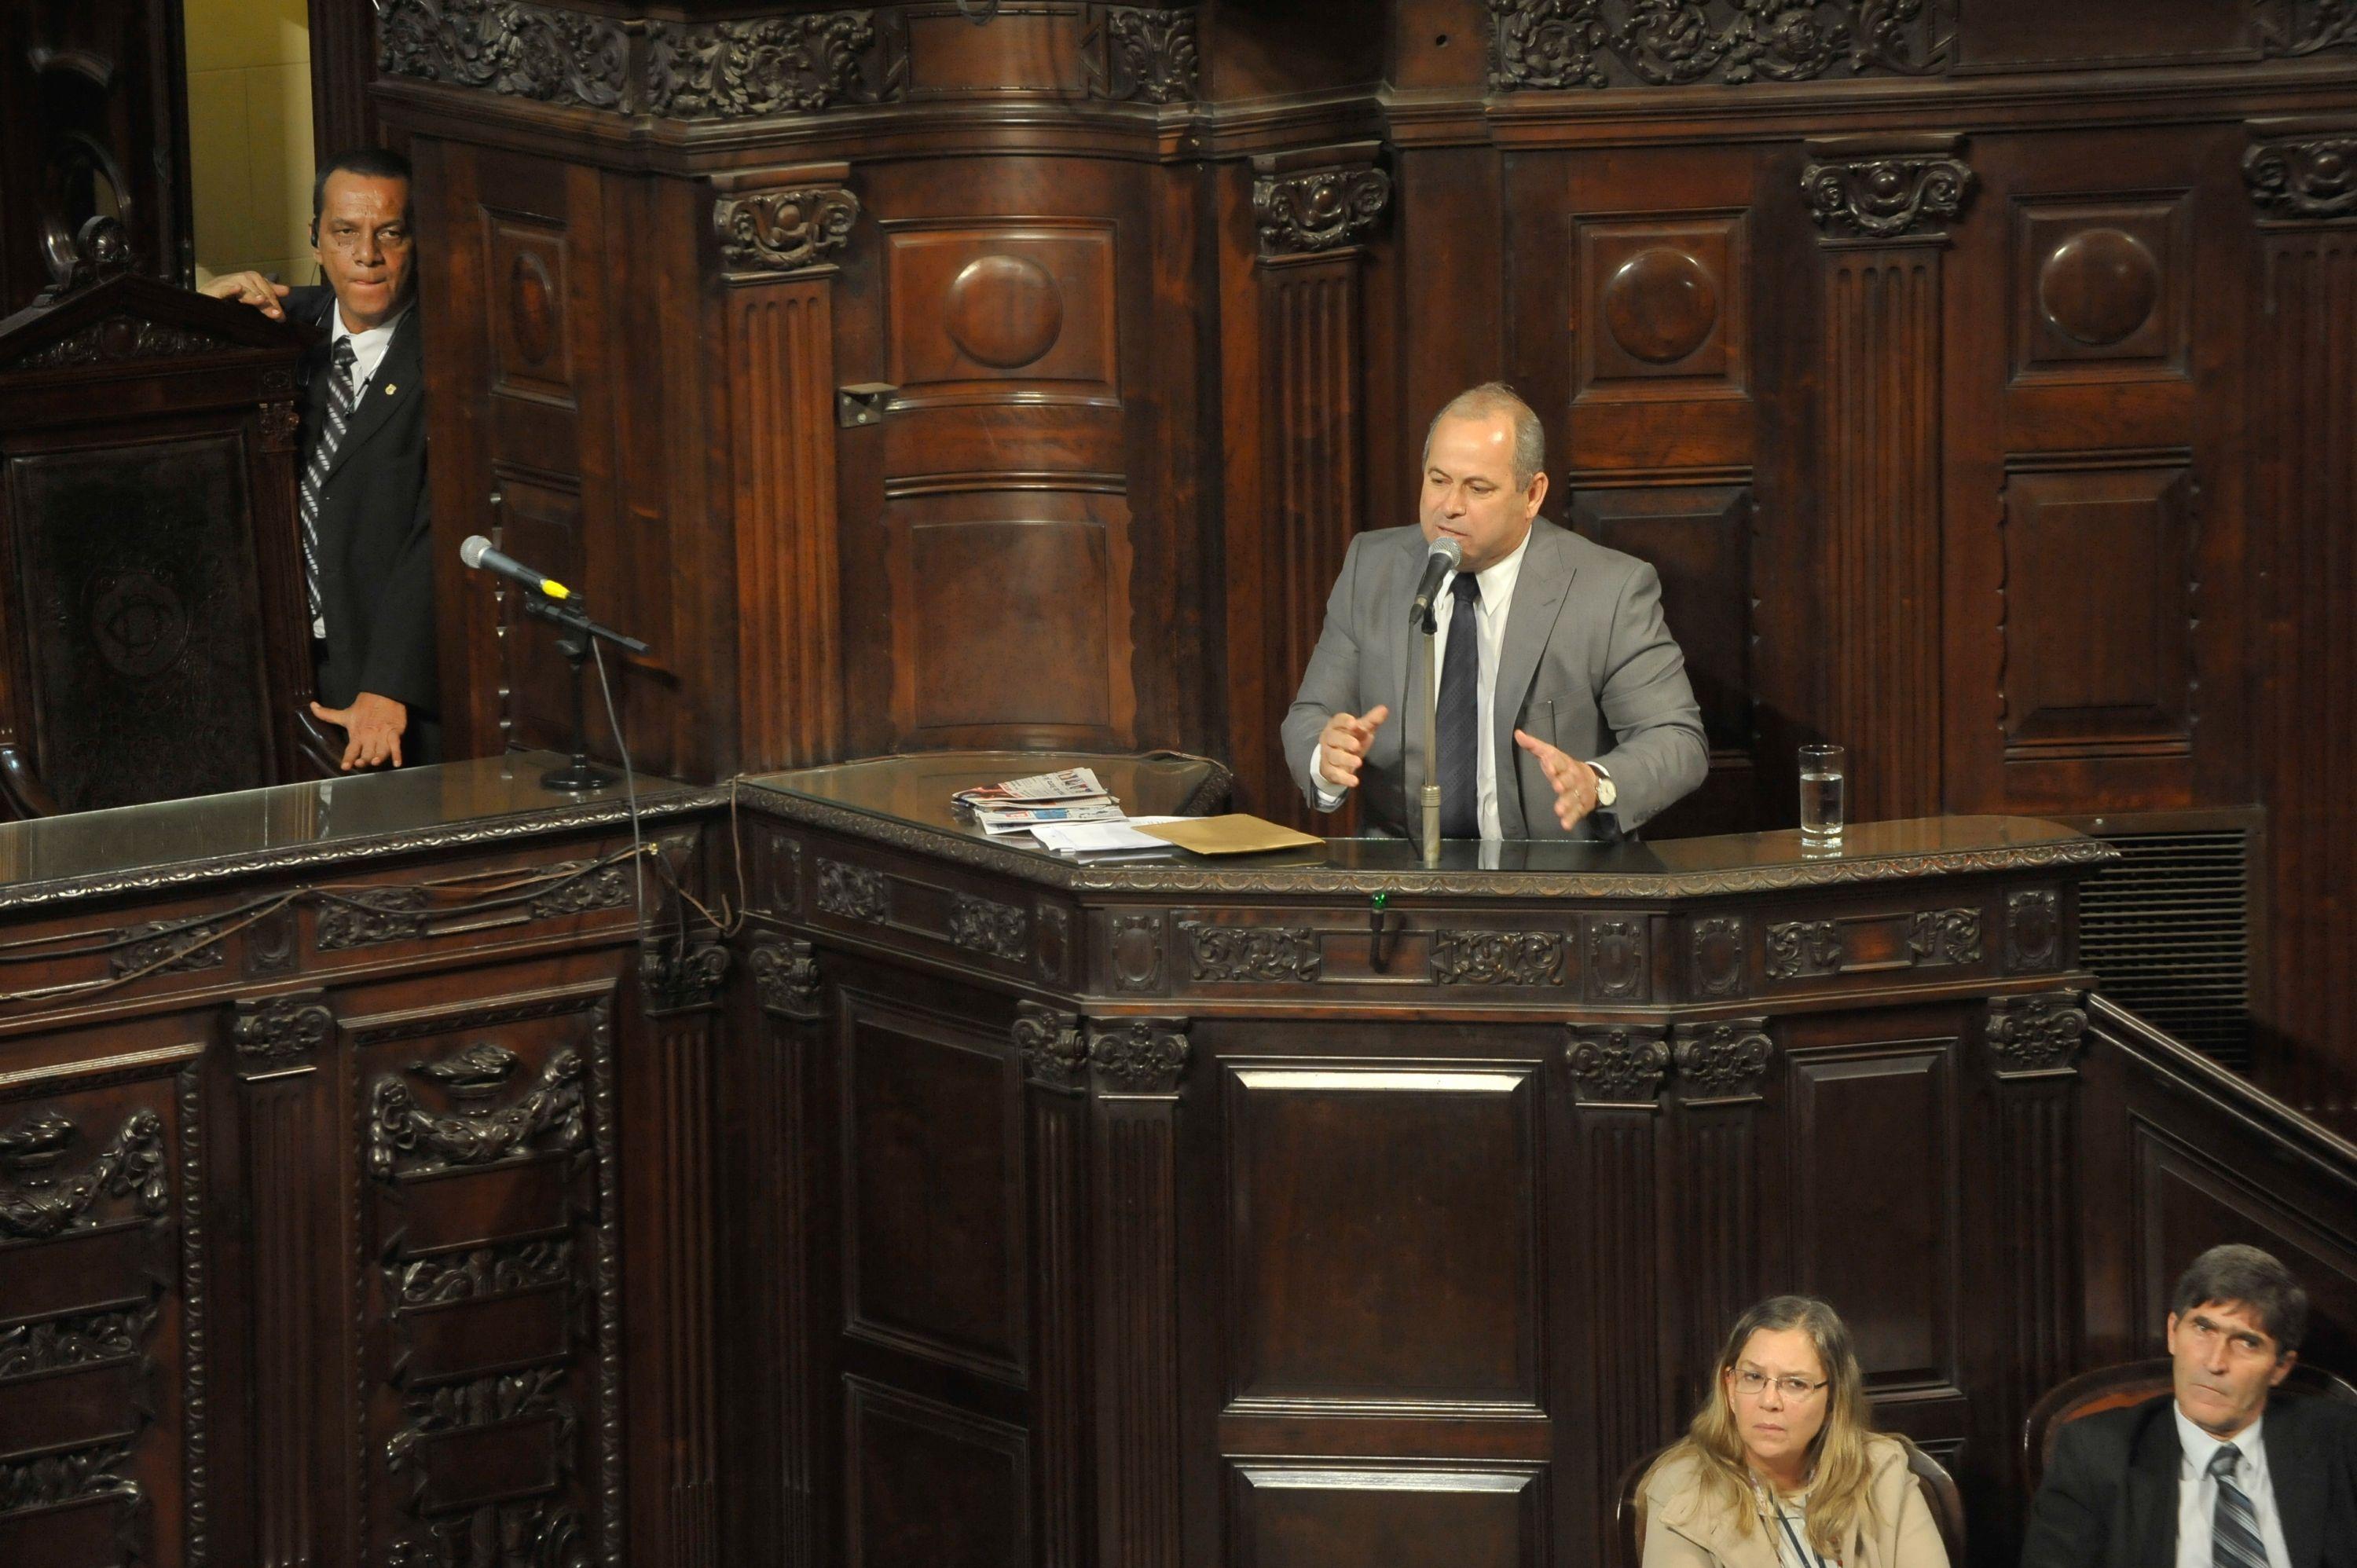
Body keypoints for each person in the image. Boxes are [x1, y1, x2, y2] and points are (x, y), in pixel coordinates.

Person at [1281, 382, 1706, 841]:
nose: (1450, 507)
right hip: (1404, 882)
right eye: (1438, 480)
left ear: (1532, 495)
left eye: (1477, 488)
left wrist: (1598, 782)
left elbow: (1676, 740)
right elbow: (1311, 715)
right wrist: (1326, 757)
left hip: (1555, 887)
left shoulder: (1608, 589)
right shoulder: (1372, 567)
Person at [203, 147, 436, 769]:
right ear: (315, 240)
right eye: (345, 233)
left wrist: (389, 685)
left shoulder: (448, 354)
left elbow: (437, 534)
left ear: (416, 240)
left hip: (382, 686)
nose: (367, 256)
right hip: (268, 672)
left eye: (389, 233)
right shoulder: (276, 332)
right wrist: (204, 318)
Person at [2022, 1244, 2357, 1568]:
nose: (2214, 1362)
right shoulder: (2096, 1452)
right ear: (2172, 1332)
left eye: (2246, 1342)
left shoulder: (2340, 1443)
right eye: (2203, 1328)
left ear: (2280, 1367)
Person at [1640, 1295, 1949, 1568]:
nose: (1770, 1401)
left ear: (1833, 1401)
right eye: (1753, 1377)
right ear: (1730, 1388)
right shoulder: (1682, 1490)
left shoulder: (1882, 1472)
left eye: (1795, 1383)